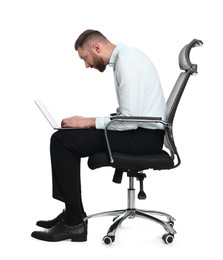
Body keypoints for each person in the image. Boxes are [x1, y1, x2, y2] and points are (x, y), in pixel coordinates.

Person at [31, 29, 166, 242]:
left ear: (96, 48)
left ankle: (74, 222)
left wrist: (87, 122)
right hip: (142, 133)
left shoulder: (127, 62)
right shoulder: (126, 58)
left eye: (85, 58)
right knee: (67, 137)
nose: (86, 65)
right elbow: (129, 116)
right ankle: (72, 213)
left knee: (61, 141)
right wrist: (88, 124)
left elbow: (129, 121)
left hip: (143, 138)